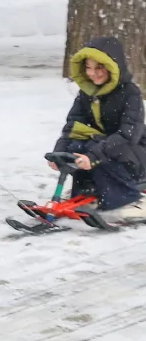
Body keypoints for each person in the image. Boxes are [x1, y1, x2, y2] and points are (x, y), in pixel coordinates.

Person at [53, 36, 146, 220]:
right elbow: (74, 125)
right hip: (104, 147)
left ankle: (129, 197)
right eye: (88, 67)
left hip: (135, 155)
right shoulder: (87, 93)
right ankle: (89, 191)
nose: (92, 73)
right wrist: (60, 152)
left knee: (96, 150)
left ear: (113, 67)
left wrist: (94, 156)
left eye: (98, 68)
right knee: (76, 148)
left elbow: (128, 136)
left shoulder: (130, 93)